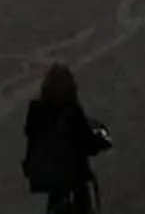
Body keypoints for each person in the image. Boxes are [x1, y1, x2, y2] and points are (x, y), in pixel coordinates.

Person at [19, 64, 108, 212]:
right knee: (81, 200)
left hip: (49, 173)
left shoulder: (36, 110)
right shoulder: (72, 111)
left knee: (56, 198)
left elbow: (31, 134)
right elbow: (87, 142)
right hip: (73, 174)